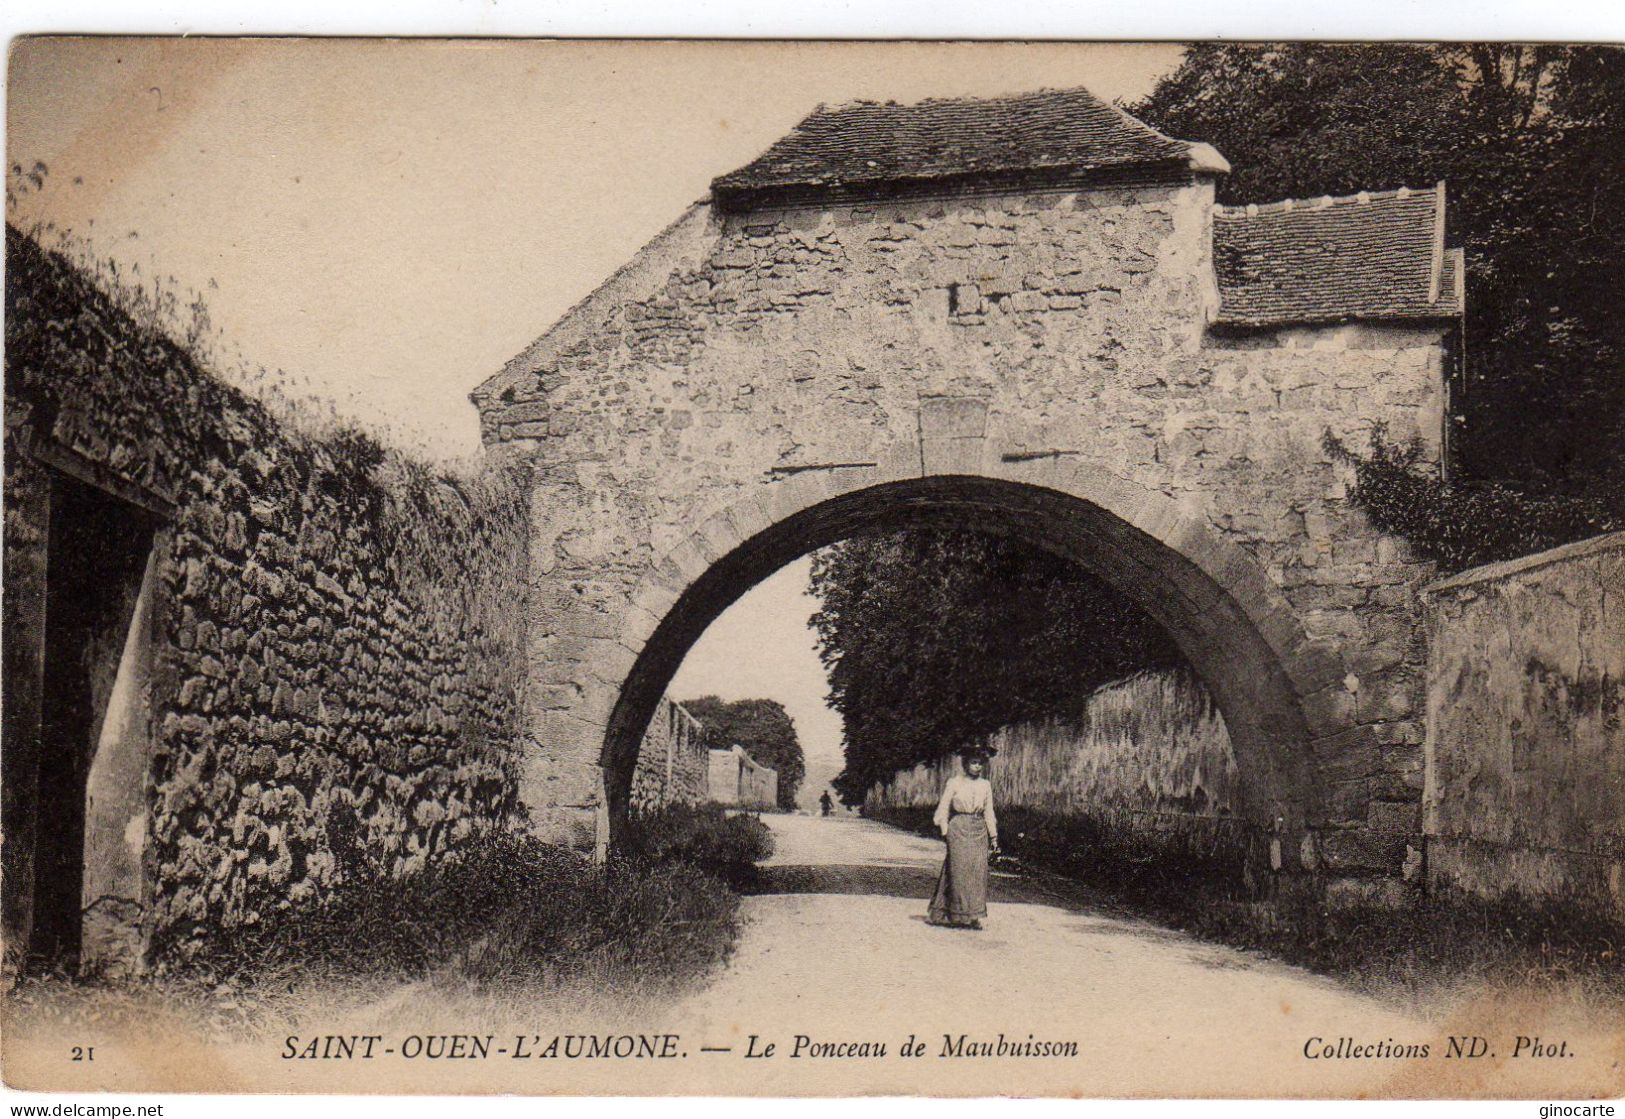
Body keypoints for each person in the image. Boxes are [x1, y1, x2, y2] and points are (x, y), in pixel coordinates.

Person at [926, 745, 999, 930]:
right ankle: (952, 913)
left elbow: (989, 811)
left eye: (980, 763)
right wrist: (944, 830)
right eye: (973, 763)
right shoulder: (955, 782)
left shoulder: (985, 785)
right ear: (966, 764)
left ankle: (973, 915)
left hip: (978, 830)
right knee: (956, 871)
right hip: (958, 828)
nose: (977, 767)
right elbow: (944, 807)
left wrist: (994, 836)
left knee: (977, 873)